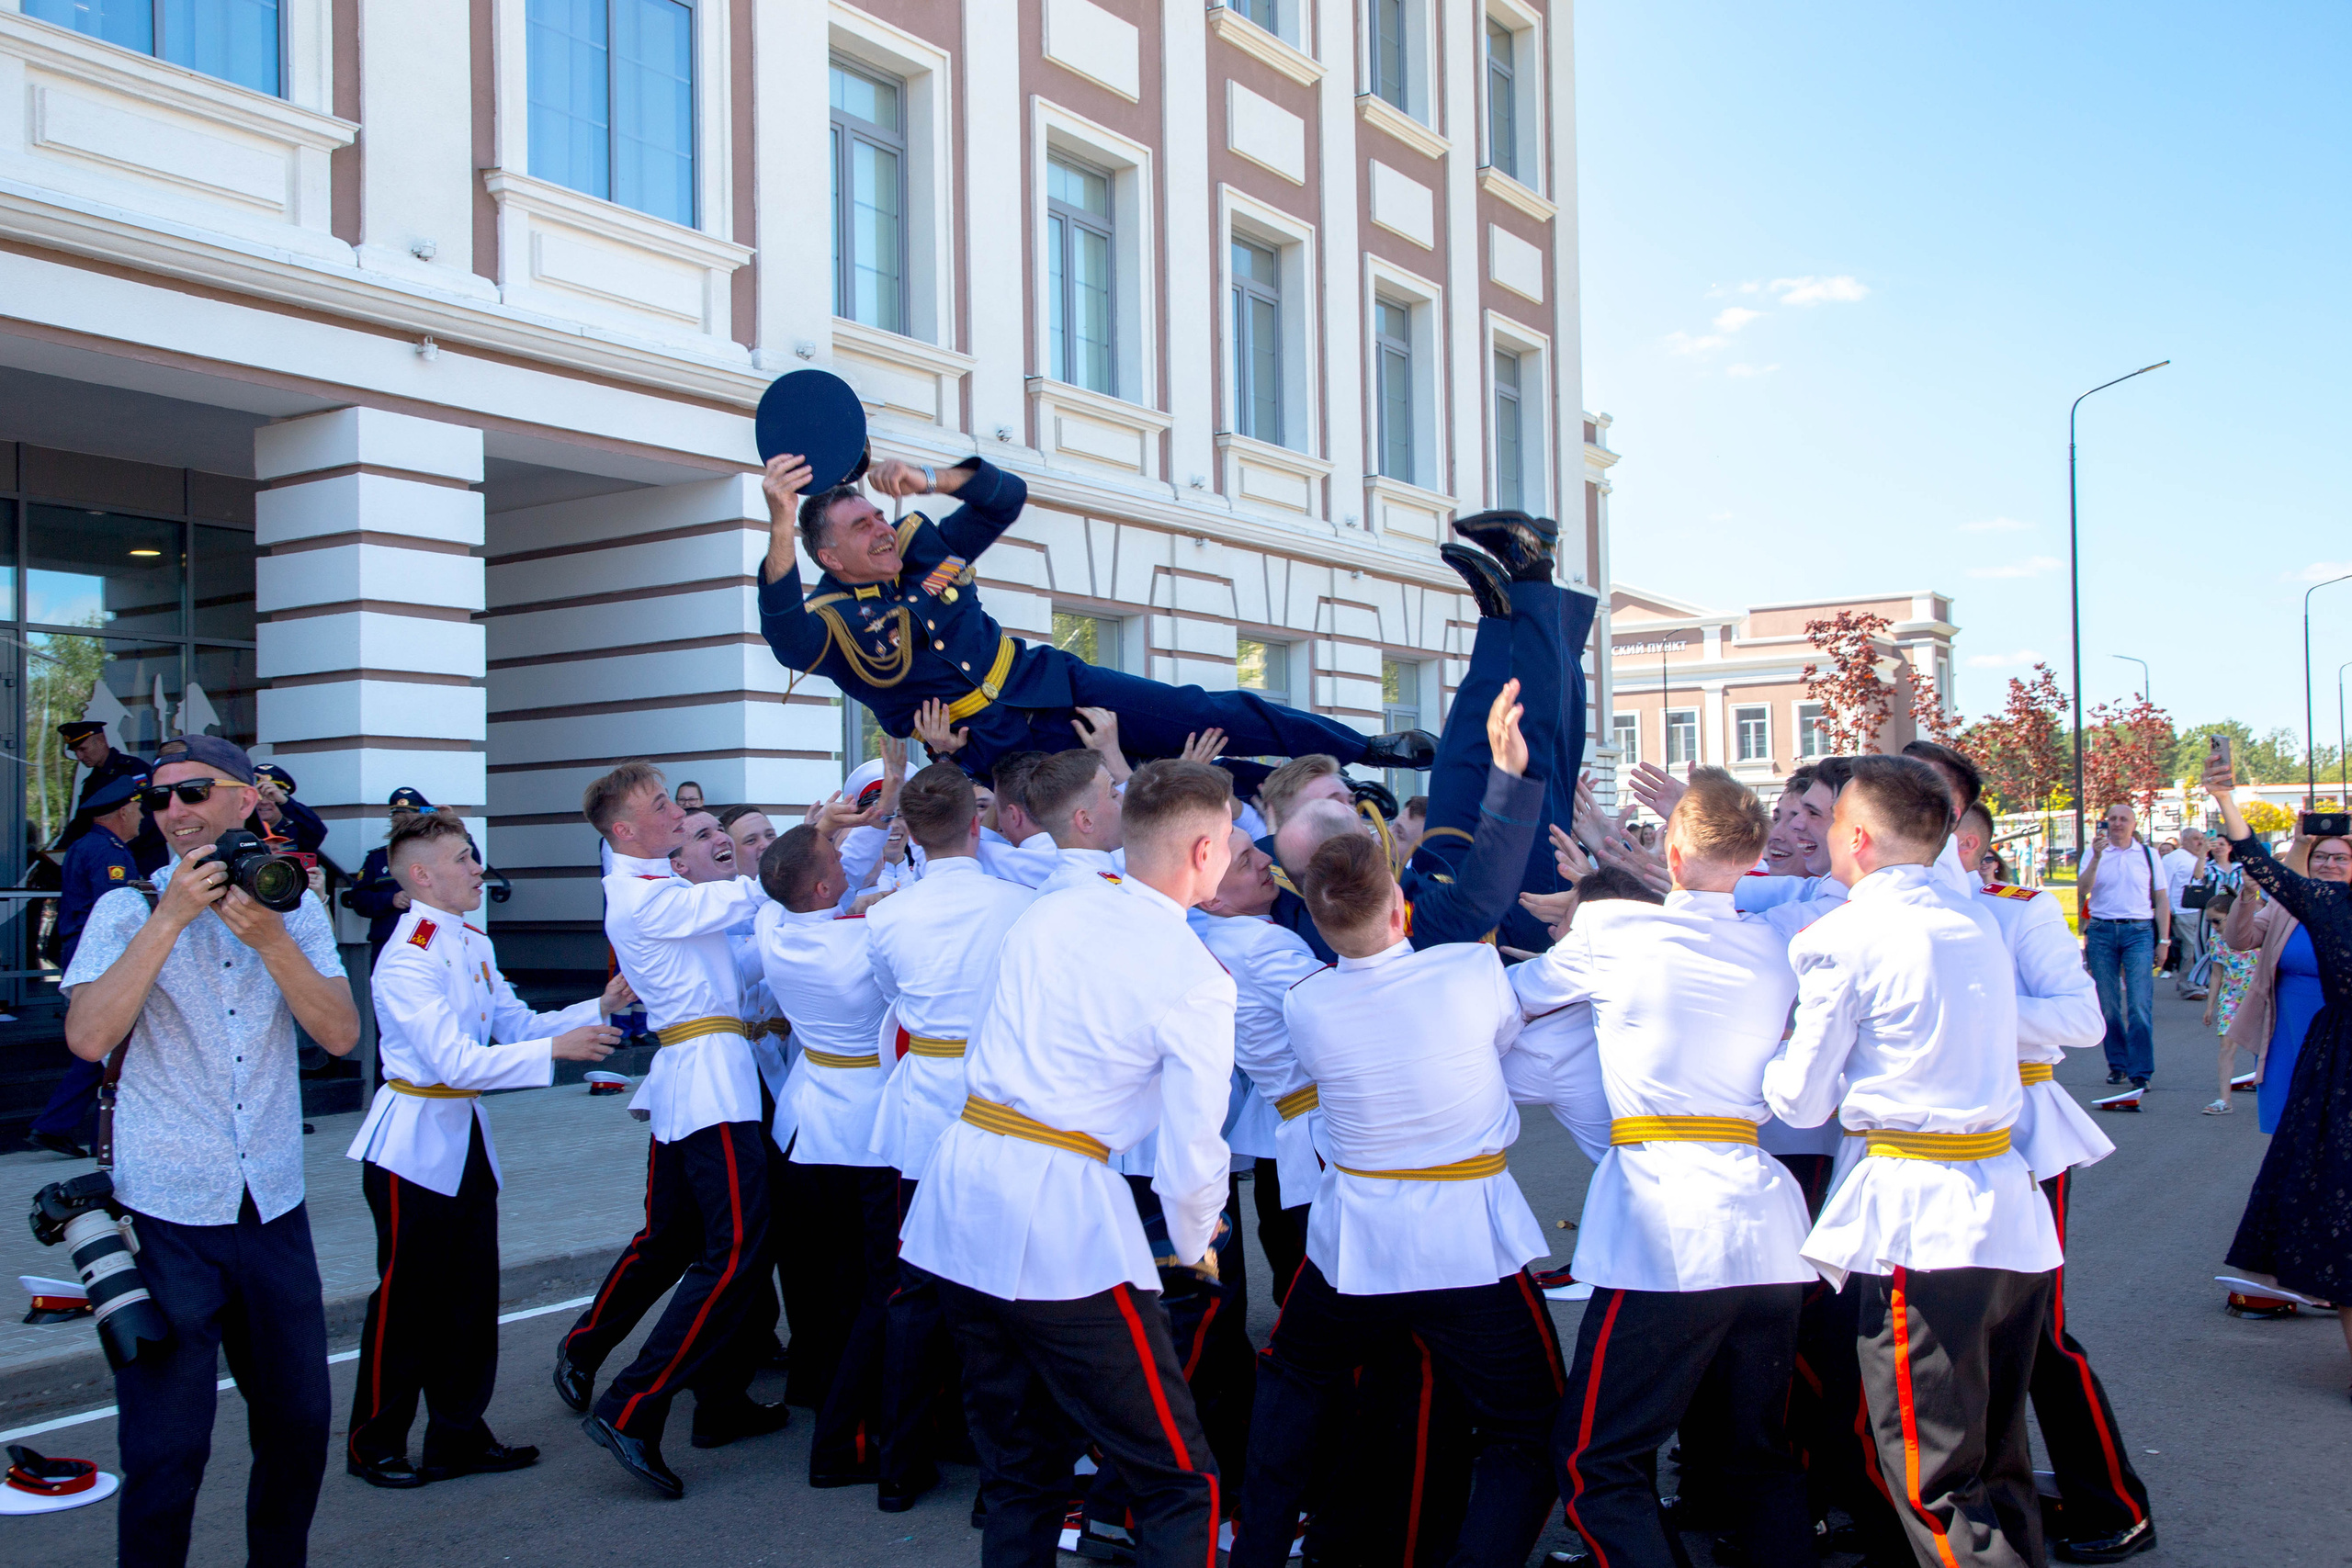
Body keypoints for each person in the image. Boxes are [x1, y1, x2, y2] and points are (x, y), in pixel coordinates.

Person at [899, 761, 1238, 1565]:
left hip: (961, 1190)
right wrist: (1195, 1240)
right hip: (1056, 1217)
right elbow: (1193, 1151)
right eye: (1228, 844)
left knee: (1020, 1466)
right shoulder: (1193, 973)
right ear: (1201, 851)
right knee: (1179, 1477)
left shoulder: (1060, 902)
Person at [59, 734, 360, 1568]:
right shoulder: (128, 906)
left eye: (194, 793)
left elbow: (338, 1033)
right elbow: (88, 1036)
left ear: (244, 800)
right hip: (165, 1215)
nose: (175, 812)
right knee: (167, 1453)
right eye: (159, 800)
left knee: (299, 1429)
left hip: (270, 1207)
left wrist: (269, 937)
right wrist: (171, 916)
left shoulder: (292, 903)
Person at [1231, 817, 1566, 1568]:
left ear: (1318, 922)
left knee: (1292, 1381)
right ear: (1399, 909)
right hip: (1465, 1244)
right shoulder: (1468, 973)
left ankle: (1255, 1549)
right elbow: (1504, 1033)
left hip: (1358, 1247)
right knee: (1530, 1427)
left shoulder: (1307, 1003)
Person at [1510, 769, 1814, 1568]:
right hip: (1769, 1228)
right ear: (1752, 855)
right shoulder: (1776, 942)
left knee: (1594, 1458)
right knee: (1758, 1452)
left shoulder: (1617, 938)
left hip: (1668, 1227)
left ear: (1672, 850)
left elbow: (1512, 997)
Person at [1763, 755, 2062, 1568]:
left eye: (1829, 822)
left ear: (1856, 835)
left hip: (1919, 1219)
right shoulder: (1978, 923)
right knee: (1995, 1463)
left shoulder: (1845, 935)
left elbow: (1799, 1101)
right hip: (2006, 1207)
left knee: (1934, 1483)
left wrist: (1768, 1056)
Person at [757, 451, 1434, 777]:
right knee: (1179, 783)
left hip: (1051, 683)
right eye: (861, 525)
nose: (881, 526)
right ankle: (1327, 791)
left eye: (877, 513)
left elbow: (1005, 499)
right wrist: (780, 522)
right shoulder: (833, 620)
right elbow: (787, 637)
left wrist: (931, 479)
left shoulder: (917, 541)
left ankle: (1364, 749)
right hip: (998, 749)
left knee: (1205, 712)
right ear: (829, 555)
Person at [344, 809, 628, 1488]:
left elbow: (516, 1024)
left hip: (462, 1135)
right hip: (411, 1141)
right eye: (465, 858)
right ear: (422, 874)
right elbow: (453, 1061)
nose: (479, 869)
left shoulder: (470, 941)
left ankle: (458, 1435)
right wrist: (554, 1050)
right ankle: (374, 1440)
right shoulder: (408, 952)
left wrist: (599, 1005)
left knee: (470, 1297)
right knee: (407, 1303)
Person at [559, 763, 786, 1499]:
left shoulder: (652, 887)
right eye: (661, 807)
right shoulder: (643, 897)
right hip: (708, 1080)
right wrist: (821, 844)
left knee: (692, 1241)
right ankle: (633, 1402)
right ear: (625, 830)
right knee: (735, 1250)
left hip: (706, 1072)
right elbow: (751, 893)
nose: (677, 811)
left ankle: (706, 1397)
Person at [863, 762, 1041, 1510]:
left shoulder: (887, 913)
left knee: (917, 1288)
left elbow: (890, 995)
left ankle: (898, 1463)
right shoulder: (1019, 902)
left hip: (926, 1103)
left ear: (911, 830)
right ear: (979, 823)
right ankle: (999, 1472)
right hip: (996, 1102)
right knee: (1004, 1288)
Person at [753, 824, 903, 1498]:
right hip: (862, 1126)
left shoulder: (773, 925)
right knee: (878, 1282)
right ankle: (846, 1431)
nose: (846, 865)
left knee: (825, 1275)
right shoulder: (862, 942)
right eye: (834, 862)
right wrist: (887, 887)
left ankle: (818, 1383)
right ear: (820, 885)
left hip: (804, 1117)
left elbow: (808, 890)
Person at [2203, 761, 2352, 1390]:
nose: (2333, 863)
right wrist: (2225, 797)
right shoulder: (2325, 903)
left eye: (2344, 854)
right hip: (2340, 1062)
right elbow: (2259, 861)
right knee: (2338, 1200)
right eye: (2329, 854)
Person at [25, 773, 147, 1158]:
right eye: (139, 809)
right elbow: (117, 910)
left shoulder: (88, 845)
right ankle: (67, 1128)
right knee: (107, 1043)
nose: (143, 817)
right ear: (123, 812)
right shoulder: (106, 851)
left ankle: (65, 1128)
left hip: (86, 953)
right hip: (101, 958)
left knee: (106, 1045)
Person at [2218, 823, 2346, 1136]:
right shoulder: (2287, 905)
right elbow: (2239, 939)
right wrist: (2248, 896)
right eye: (2321, 857)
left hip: (2342, 1030)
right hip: (2288, 1028)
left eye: (2341, 858)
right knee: (2292, 1130)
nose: (2329, 864)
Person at [2077, 802, 2171, 1091]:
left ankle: (2141, 1071)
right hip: (2103, 930)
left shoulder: (2148, 855)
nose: (2117, 824)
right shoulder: (2094, 853)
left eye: (2123, 819)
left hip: (2139, 931)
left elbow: (2162, 899)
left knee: (2139, 1004)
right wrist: (2095, 857)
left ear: (2133, 824)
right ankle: (2117, 1065)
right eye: (2112, 819)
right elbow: (2083, 890)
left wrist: (2164, 940)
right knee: (2108, 1006)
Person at [53, 718, 164, 872]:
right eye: (76, 752)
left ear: (100, 740)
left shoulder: (134, 769)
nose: (79, 756)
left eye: (83, 749)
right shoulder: (93, 780)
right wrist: (55, 855)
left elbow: (149, 813)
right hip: (108, 858)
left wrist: (110, 845)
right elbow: (81, 823)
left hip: (143, 858)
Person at [347, 787, 433, 973]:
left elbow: (471, 864)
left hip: (427, 936)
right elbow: (359, 900)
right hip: (388, 938)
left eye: (407, 816)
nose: (399, 821)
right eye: (396, 816)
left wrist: (457, 827)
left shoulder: (437, 855)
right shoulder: (377, 858)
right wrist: (390, 899)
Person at [2200, 838, 2256, 1112]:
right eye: (2209, 921)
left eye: (2216, 921)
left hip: (2257, 996)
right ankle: (2225, 1099)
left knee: (2264, 1049)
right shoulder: (2216, 942)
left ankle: (2274, 1094)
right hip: (2231, 998)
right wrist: (2210, 1005)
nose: (2213, 926)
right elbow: (2216, 974)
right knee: (2226, 1047)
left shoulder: (2255, 933)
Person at [2165, 828, 2208, 996]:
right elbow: (2164, 886)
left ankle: (2198, 981)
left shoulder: (2202, 857)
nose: (2200, 843)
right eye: (2196, 839)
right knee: (2189, 949)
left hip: (2202, 909)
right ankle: (2187, 984)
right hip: (2182, 910)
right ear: (2185, 840)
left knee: (2200, 948)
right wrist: (2168, 911)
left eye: (2202, 839)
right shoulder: (2173, 859)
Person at [253, 763, 329, 855]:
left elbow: (318, 830)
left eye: (271, 795)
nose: (264, 802)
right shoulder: (243, 831)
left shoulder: (298, 831)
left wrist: (285, 802)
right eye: (258, 796)